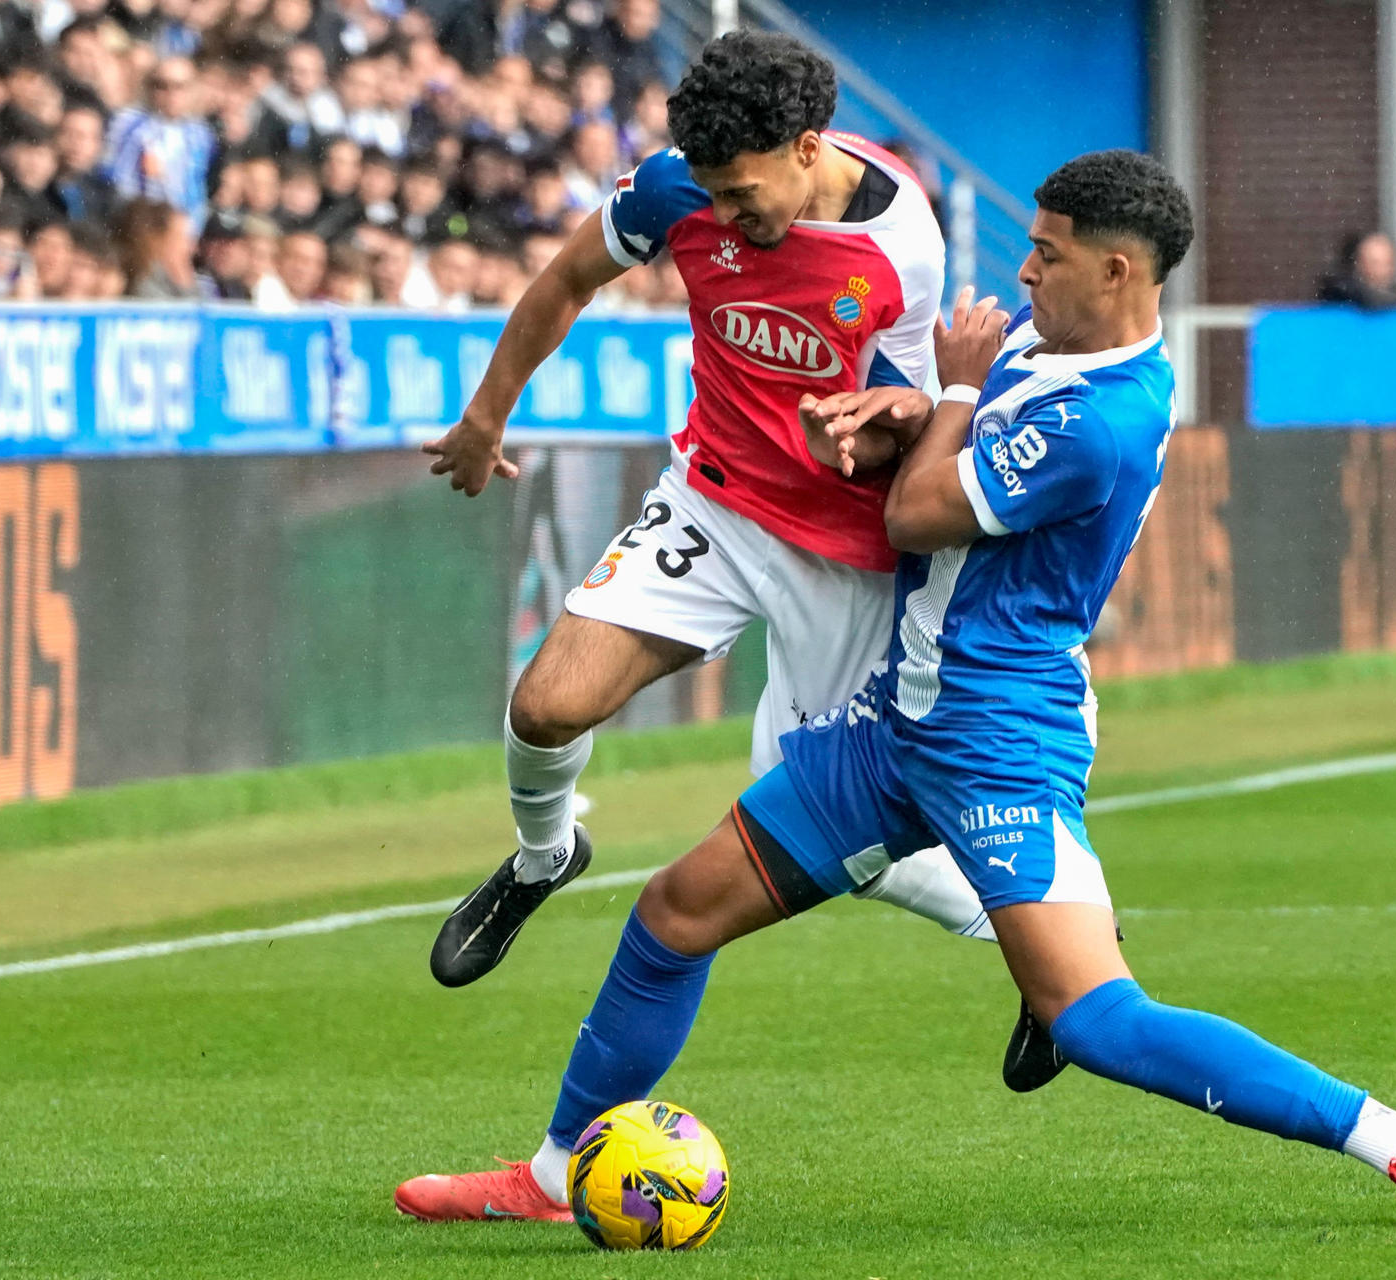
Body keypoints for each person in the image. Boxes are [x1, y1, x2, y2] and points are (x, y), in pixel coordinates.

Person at [394, 150, 1396, 1231]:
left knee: (1097, 1018)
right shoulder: (1049, 347)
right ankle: (549, 1177)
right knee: (675, 914)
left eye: (1047, 256)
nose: (1024, 274)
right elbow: (937, 452)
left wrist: (954, 389)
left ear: (1118, 273)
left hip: (996, 740)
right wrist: (899, 416)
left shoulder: (1103, 419)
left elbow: (918, 516)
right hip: (896, 726)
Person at [413, 30, 1020, 1066]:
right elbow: (564, 279)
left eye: (743, 194)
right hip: (717, 502)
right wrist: (485, 416)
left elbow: (926, 414)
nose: (728, 217)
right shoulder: (669, 193)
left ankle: (1057, 953)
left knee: (843, 837)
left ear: (808, 144)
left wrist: (890, 415)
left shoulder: (902, 238)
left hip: (846, 548)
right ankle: (545, 853)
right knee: (544, 703)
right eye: (713, 195)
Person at [106, 55, 215, 223]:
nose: (171, 94)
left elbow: (197, 185)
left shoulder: (201, 134)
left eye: (179, 87)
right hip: (136, 219)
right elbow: (116, 175)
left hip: (180, 224)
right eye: (161, 86)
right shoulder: (128, 123)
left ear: (193, 90)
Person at [1315, 229, 1396, 308]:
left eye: (1387, 263)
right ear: (1360, 264)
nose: (1382, 270)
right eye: (1375, 263)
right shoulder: (1342, 296)